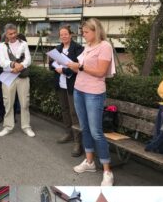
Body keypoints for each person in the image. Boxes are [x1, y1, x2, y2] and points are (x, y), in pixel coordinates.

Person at [67, 18, 115, 186]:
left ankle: (107, 171)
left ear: (96, 31)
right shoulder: (87, 47)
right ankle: (89, 162)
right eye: (83, 32)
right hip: (79, 89)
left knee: (96, 132)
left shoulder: (105, 46)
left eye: (86, 32)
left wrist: (79, 67)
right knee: (84, 127)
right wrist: (72, 65)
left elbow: (101, 72)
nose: (83, 34)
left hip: (94, 93)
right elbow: (81, 66)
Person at [49, 25, 84, 157]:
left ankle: (77, 141)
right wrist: (56, 67)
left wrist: (64, 70)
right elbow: (51, 64)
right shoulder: (57, 49)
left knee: (74, 112)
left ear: (70, 35)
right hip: (60, 84)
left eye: (66, 34)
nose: (63, 36)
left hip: (72, 85)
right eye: (61, 34)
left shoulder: (78, 49)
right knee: (64, 109)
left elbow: (79, 67)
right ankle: (68, 133)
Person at [0, 24, 35, 137]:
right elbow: (1, 61)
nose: (13, 35)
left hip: (22, 76)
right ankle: (8, 126)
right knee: (8, 102)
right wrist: (12, 64)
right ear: (6, 34)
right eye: (10, 34)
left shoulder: (24, 44)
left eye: (14, 33)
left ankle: (26, 126)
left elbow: (28, 59)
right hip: (9, 76)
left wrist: (20, 66)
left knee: (25, 103)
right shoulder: (2, 46)